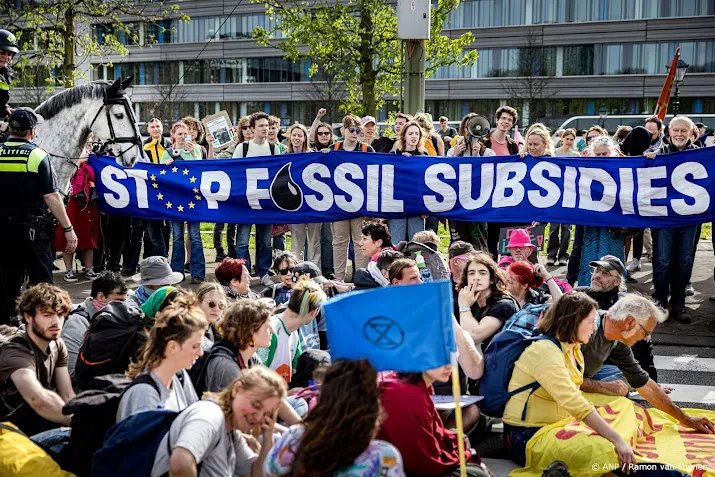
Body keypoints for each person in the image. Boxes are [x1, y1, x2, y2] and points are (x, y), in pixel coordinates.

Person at [502, 292, 637, 470]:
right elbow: (573, 401)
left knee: (622, 403)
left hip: (558, 422)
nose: (594, 328)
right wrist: (617, 440)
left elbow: (577, 393)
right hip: (527, 434)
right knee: (606, 449)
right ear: (573, 321)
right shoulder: (545, 351)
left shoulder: (573, 347)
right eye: (590, 322)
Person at [581, 294, 715, 434]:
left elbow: (642, 382)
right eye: (646, 333)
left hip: (580, 376)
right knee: (617, 392)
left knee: (628, 382)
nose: (646, 338)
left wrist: (687, 420)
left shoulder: (615, 339)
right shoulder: (587, 330)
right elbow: (561, 380)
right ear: (630, 322)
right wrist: (603, 387)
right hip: (564, 386)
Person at [0, 108, 77, 324]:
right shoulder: (37, 155)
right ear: (32, 131)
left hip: (4, 234)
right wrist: (69, 229)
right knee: (42, 287)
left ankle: (7, 333)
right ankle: (43, 329)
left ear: (10, 128)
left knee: (7, 285)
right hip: (33, 235)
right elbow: (51, 196)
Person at [266, 359, 405, 476]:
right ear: (372, 407)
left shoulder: (293, 439)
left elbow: (267, 471)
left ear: (323, 399)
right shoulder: (383, 457)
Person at [152, 367, 286, 477]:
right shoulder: (210, 416)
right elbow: (181, 463)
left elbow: (255, 474)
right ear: (237, 389)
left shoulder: (231, 432)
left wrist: (268, 437)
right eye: (256, 405)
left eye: (267, 414)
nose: (258, 417)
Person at [197, 299, 303, 424]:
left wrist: (302, 428)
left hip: (247, 417)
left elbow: (273, 395)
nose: (272, 331)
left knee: (299, 404)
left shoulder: (251, 357)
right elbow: (232, 421)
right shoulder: (226, 367)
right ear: (251, 330)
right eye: (267, 326)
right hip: (226, 430)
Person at [377, 365, 492, 477]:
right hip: (399, 467)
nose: (449, 365)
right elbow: (423, 463)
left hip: (417, 461)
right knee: (478, 474)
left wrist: (467, 455)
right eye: (440, 358)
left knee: (462, 439)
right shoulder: (407, 395)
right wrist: (470, 458)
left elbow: (437, 436)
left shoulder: (418, 386)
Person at [645, 116, 700, 324]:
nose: (679, 134)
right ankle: (659, 302)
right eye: (675, 130)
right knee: (663, 260)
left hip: (690, 219)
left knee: (684, 261)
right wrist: (647, 160)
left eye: (683, 131)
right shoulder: (658, 154)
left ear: (690, 133)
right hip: (665, 218)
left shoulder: (700, 155)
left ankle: (678, 304)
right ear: (669, 132)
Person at [117, 294, 206, 422]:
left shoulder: (179, 377)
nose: (201, 353)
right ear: (172, 347)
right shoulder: (144, 395)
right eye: (195, 346)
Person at [0, 284, 73, 436]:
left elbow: (66, 395)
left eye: (60, 315)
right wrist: (80, 424)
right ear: (28, 317)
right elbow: (37, 399)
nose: (56, 322)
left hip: (34, 424)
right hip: (9, 435)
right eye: (47, 315)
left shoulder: (56, 343)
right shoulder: (15, 352)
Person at [233, 112, 280, 287]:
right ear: (252, 129)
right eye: (261, 126)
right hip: (245, 203)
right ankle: (242, 274)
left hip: (265, 203)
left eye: (267, 126)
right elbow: (233, 173)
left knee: (265, 241)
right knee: (242, 240)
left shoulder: (274, 148)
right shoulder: (243, 148)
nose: (265, 129)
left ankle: (263, 272)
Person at [576, 136, 627, 287]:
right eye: (598, 154)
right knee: (590, 259)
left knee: (612, 260)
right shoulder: (587, 170)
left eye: (605, 154)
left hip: (613, 226)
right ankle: (589, 289)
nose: (601, 157)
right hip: (592, 225)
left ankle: (614, 290)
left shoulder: (623, 169)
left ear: (612, 152)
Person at [256, 277, 327, 383]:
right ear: (314, 312)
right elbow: (256, 379)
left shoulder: (293, 332)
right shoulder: (271, 331)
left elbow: (294, 372)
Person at [61, 271, 128, 376]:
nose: (122, 306)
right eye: (117, 301)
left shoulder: (118, 318)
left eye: (124, 301)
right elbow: (71, 373)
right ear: (101, 296)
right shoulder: (78, 323)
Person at [56, 138, 100, 282]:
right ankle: (68, 270)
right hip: (71, 204)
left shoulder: (90, 163)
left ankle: (89, 268)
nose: (88, 149)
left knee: (88, 236)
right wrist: (77, 161)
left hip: (87, 204)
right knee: (67, 238)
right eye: (85, 146)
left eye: (89, 145)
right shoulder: (67, 162)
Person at [457, 253, 518, 350]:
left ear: (492, 279)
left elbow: (473, 336)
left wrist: (464, 306)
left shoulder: (504, 305)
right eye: (471, 273)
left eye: (482, 273)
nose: (476, 277)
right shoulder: (471, 302)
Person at [196, 281, 227, 347]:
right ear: (198, 303)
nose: (216, 309)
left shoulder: (219, 326)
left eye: (221, 305)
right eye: (211, 304)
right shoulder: (188, 329)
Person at [0, 29, 17, 118]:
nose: (6, 57)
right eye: (2, 53)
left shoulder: (4, 74)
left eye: (9, 54)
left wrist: (5, 108)